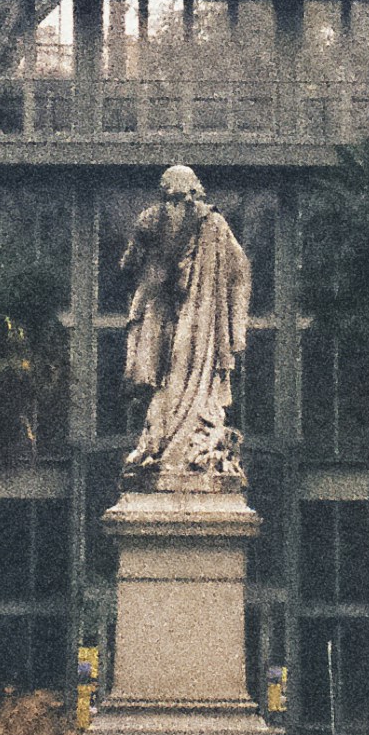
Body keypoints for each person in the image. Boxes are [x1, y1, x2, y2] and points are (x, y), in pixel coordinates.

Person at [119, 165, 254, 492]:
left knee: (181, 377)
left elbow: (240, 270)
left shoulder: (213, 225)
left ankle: (183, 445)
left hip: (199, 322)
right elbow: (129, 265)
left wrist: (236, 329)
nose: (175, 203)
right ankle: (164, 445)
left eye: (178, 196)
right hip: (166, 318)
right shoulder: (155, 221)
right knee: (165, 379)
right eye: (171, 197)